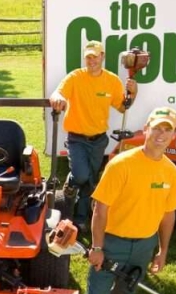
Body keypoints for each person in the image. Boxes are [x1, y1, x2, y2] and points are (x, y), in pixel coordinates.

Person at [67, 107, 176, 294]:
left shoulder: (171, 172)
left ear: (173, 134)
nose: (161, 134)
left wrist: (162, 251)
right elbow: (100, 209)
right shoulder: (121, 164)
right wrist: (97, 247)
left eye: (168, 129)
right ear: (146, 129)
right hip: (112, 243)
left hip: (143, 245)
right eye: (157, 128)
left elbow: (168, 215)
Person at [49, 40, 138, 232]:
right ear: (85, 58)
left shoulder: (112, 80)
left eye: (95, 57)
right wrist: (57, 97)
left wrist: (133, 93)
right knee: (81, 175)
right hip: (77, 139)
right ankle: (71, 183)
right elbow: (59, 92)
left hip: (99, 140)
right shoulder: (76, 77)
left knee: (90, 181)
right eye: (88, 57)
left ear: (102, 57)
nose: (92, 61)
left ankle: (80, 219)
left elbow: (123, 107)